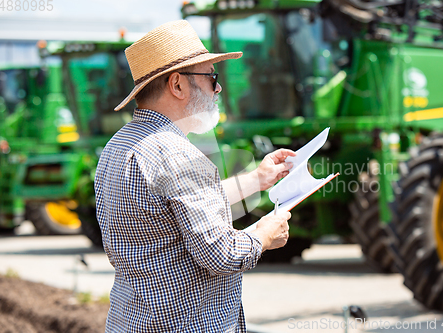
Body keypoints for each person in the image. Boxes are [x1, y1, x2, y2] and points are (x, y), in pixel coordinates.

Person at [95, 20, 295, 332]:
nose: (217, 88)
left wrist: (257, 179)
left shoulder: (119, 145)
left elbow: (176, 206)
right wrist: (264, 234)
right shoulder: (178, 155)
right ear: (177, 85)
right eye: (211, 77)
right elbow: (222, 254)